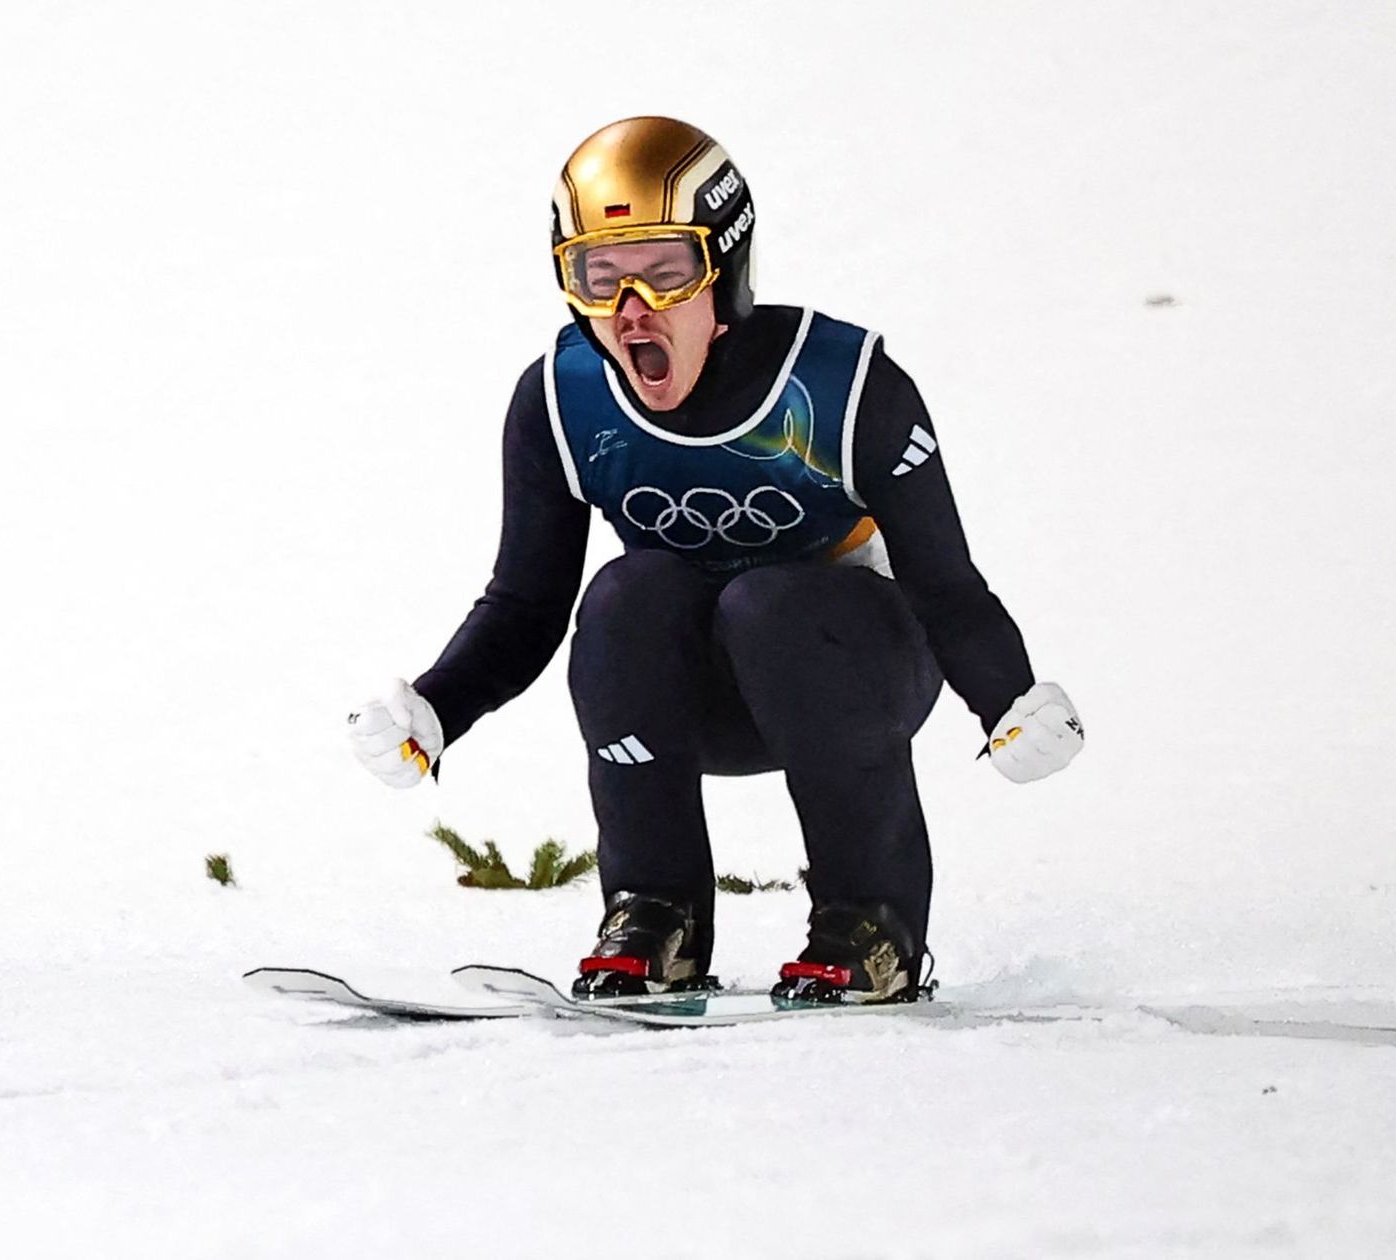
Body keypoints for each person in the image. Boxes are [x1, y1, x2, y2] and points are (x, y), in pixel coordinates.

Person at [346, 117, 1082, 1004]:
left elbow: (943, 583)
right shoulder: (562, 395)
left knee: (768, 603)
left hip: (860, 674)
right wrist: (438, 706)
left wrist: (1007, 696)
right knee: (628, 592)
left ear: (724, 274)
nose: (631, 311)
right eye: (598, 276)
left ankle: (870, 921)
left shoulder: (839, 384)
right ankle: (655, 914)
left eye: (665, 273)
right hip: (697, 698)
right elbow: (527, 604)